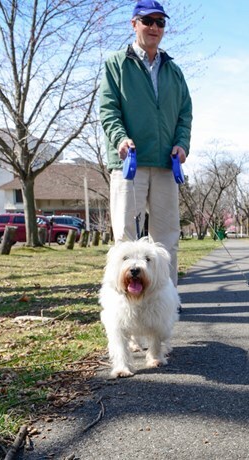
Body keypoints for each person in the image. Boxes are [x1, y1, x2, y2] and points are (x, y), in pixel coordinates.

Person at [100, 0, 192, 287]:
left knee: (166, 240)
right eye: (147, 21)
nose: (154, 27)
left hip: (165, 164)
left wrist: (182, 144)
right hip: (131, 164)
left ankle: (166, 301)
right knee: (126, 238)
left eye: (160, 22)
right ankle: (125, 304)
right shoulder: (116, 64)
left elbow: (185, 113)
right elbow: (108, 108)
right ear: (134, 24)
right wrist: (120, 138)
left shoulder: (173, 70)